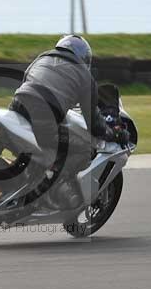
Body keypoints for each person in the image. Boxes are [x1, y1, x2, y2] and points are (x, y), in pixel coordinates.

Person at [9, 35, 127, 207]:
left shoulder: (42, 58)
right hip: (45, 121)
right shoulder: (84, 76)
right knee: (84, 150)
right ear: (84, 57)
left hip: (16, 108)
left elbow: (26, 81)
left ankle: (24, 173)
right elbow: (94, 124)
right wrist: (114, 133)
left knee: (44, 144)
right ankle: (45, 189)